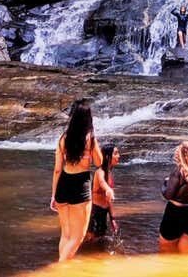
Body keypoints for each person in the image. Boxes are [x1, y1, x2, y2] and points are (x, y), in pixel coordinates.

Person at [51, 99, 104, 261]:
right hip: (80, 185)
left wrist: (53, 195)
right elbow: (100, 162)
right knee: (78, 237)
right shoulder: (90, 139)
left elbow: (57, 169)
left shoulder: (63, 139)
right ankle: (58, 270)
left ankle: (63, 267)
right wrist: (94, 143)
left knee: (66, 235)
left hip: (63, 184)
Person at [87, 145, 120, 242]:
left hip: (103, 212)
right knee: (89, 240)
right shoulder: (99, 172)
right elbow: (102, 182)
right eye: (115, 153)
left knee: (99, 239)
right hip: (95, 212)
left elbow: (108, 199)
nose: (118, 156)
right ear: (107, 157)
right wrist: (108, 189)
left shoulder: (109, 172)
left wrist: (112, 218)